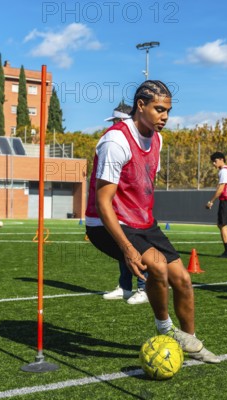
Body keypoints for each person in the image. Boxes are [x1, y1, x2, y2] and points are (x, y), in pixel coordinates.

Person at [85, 80, 220, 363]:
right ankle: (166, 330)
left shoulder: (158, 139)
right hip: (107, 222)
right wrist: (128, 249)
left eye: (168, 111)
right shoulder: (116, 141)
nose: (165, 116)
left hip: (143, 222)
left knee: (183, 279)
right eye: (159, 109)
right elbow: (102, 202)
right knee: (158, 268)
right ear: (141, 105)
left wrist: (144, 226)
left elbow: (144, 187)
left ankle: (191, 343)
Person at [101, 102, 149, 305]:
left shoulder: (141, 142)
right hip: (120, 206)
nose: (112, 125)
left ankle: (144, 287)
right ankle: (125, 287)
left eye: (115, 121)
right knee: (123, 247)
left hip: (135, 208)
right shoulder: (116, 142)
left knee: (138, 248)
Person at [205, 152, 227, 258]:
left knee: (222, 225)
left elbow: (221, 188)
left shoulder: (223, 171)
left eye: (215, 161)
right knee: (222, 225)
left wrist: (211, 201)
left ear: (221, 159)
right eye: (212, 162)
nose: (213, 164)